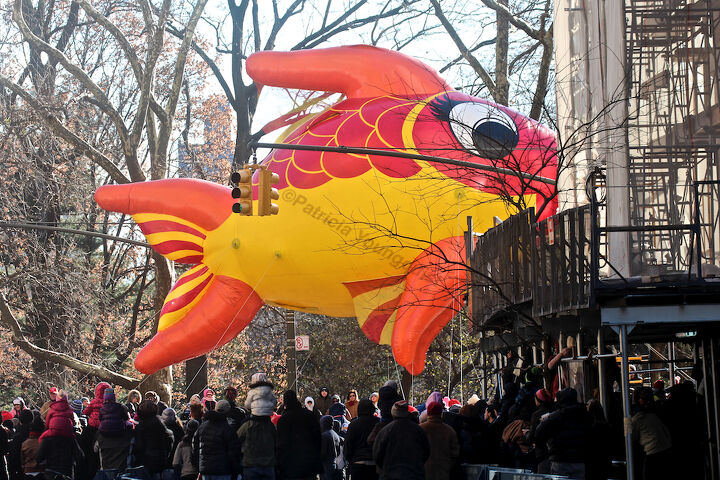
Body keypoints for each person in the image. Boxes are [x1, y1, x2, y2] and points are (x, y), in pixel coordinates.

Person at [534, 387, 591, 480]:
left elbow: (538, 434)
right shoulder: (584, 415)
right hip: (579, 460)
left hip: (560, 460)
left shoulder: (555, 417)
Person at [372, 401, 430, 480]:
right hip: (414, 473)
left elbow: (377, 453)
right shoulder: (418, 430)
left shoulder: (386, 430)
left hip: (390, 474)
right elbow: (426, 451)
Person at [276, 390, 322, 480]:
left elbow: (281, 444)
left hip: (290, 466)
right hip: (309, 464)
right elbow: (318, 438)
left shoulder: (283, 419)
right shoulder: (309, 415)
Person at [237, 385, 277, 480]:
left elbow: (236, 439)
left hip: (251, 464)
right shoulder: (270, 426)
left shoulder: (247, 425)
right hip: (268, 464)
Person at [631, 387, 672, 480]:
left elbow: (631, 438)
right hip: (666, 449)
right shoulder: (655, 415)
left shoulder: (635, 419)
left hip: (652, 453)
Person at [193, 400, 241, 480]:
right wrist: (236, 470)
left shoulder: (203, 427)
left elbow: (195, 447)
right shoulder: (228, 429)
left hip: (206, 470)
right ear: (227, 411)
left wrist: (199, 466)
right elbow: (233, 452)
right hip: (223, 470)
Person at [35, 408, 85, 479]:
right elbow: (80, 456)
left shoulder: (47, 439)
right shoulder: (71, 439)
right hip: (67, 474)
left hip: (50, 474)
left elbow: (38, 457)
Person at [133, 400, 174, 478]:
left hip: (144, 465)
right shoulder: (161, 426)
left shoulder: (140, 428)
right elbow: (169, 441)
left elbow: (138, 447)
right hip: (161, 463)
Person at [419, 402, 459, 480]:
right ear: (441, 413)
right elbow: (455, 452)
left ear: (428, 412)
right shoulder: (449, 430)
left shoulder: (420, 429)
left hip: (424, 472)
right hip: (443, 471)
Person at [96, 389, 133, 471]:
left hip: (105, 437)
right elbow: (127, 419)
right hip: (121, 434)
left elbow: (100, 419)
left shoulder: (102, 409)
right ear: (114, 397)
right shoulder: (121, 407)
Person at [344, 399, 379, 480]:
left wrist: (350, 460)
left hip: (358, 463)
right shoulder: (378, 423)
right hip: (374, 464)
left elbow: (348, 445)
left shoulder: (354, 424)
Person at [526, 388, 555, 474]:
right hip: (555, 452)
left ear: (538, 399)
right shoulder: (554, 410)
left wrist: (527, 433)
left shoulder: (536, 415)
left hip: (542, 453)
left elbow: (532, 436)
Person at [319, 416, 343, 480]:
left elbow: (322, 453)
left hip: (326, 466)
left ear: (324, 423)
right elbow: (338, 453)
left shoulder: (324, 435)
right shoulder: (335, 435)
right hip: (333, 464)